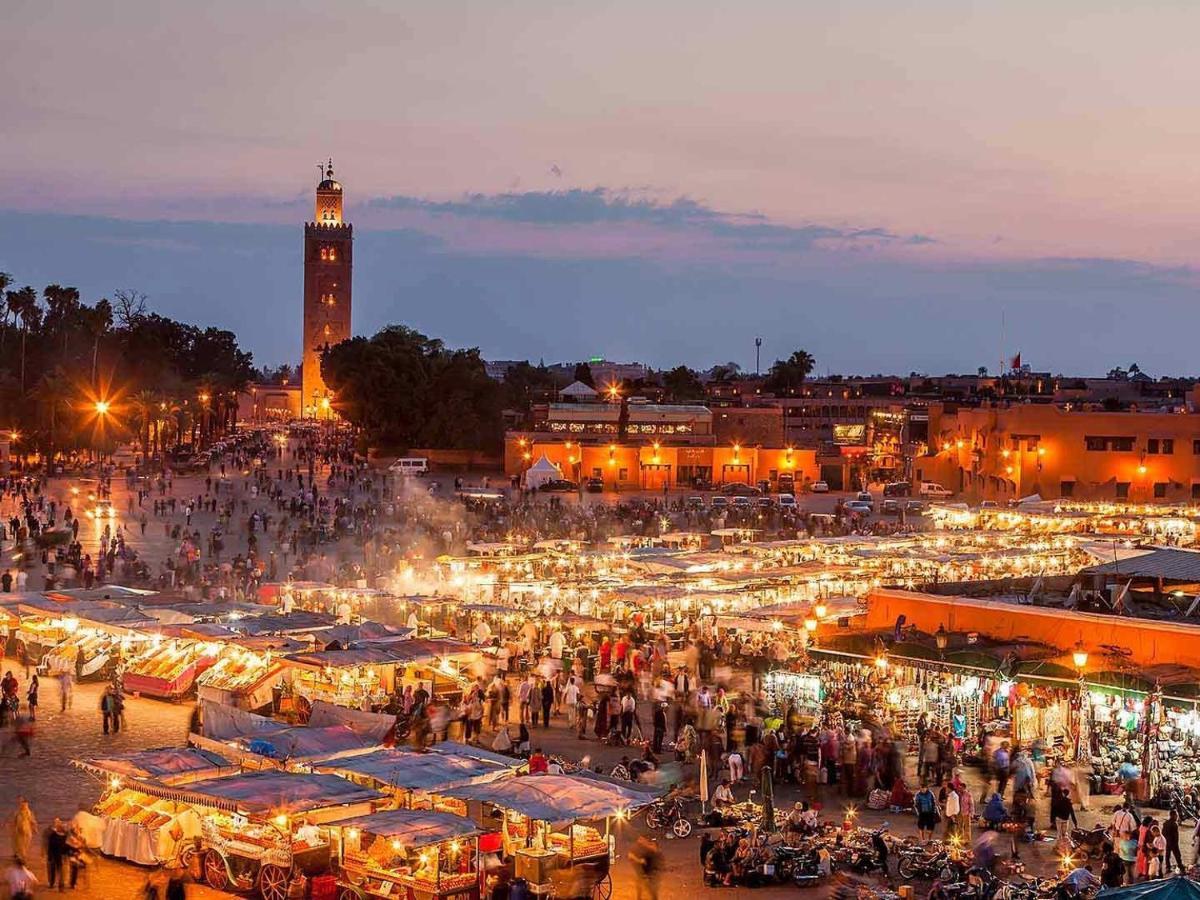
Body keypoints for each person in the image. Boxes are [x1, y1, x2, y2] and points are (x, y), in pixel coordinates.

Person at [628, 835, 663, 900]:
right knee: (644, 890)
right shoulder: (645, 850)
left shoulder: (653, 854)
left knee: (650, 892)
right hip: (645, 875)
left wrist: (637, 859)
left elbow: (647, 863)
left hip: (649, 876)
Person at [46, 816, 68, 890]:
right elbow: (66, 846)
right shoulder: (64, 836)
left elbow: (50, 847)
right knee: (60, 870)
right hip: (59, 856)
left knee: (54, 870)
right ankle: (60, 885)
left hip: (55, 856)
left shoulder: (53, 836)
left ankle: (53, 884)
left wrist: (49, 856)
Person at [1163, 809, 1183, 874]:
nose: (1177, 817)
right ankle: (1180, 866)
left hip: (1167, 842)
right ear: (1173, 815)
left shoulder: (1165, 823)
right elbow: (1175, 836)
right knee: (1177, 855)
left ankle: (1167, 867)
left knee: (1167, 855)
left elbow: (1163, 833)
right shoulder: (1174, 824)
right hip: (1173, 843)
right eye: (1176, 815)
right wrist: (1176, 843)